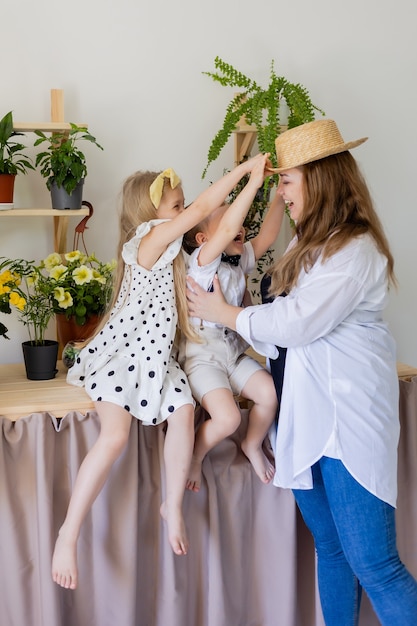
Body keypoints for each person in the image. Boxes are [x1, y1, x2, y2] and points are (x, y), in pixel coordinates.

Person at [186, 119, 417, 625]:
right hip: (307, 415)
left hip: (347, 422)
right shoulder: (306, 244)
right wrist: (230, 316)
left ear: (318, 179)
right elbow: (273, 328)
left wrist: (223, 313)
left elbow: (298, 321)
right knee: (332, 553)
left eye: (286, 181)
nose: (282, 192)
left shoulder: (355, 250)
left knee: (376, 565)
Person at [51, 155, 270, 590]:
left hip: (156, 361)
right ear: (152, 216)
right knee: (114, 436)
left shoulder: (176, 254)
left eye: (182, 205)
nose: (185, 212)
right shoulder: (147, 240)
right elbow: (205, 212)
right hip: (123, 356)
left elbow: (225, 233)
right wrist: (246, 175)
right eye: (176, 206)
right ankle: (68, 532)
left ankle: (172, 505)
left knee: (184, 413)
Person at [180, 165, 285, 491]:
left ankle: (252, 443)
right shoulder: (202, 263)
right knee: (228, 418)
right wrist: (253, 181)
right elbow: (225, 231)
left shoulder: (239, 256)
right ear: (203, 239)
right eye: (230, 220)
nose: (237, 225)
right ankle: (196, 454)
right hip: (203, 357)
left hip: (233, 351)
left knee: (270, 394)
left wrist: (280, 192)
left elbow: (267, 237)